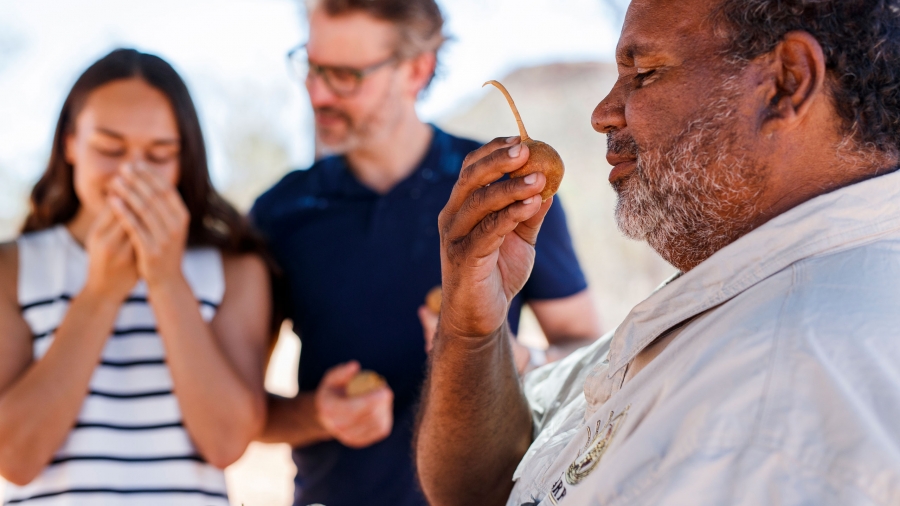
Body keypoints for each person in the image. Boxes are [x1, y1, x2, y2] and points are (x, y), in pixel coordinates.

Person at [415, 0, 900, 504]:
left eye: (643, 73)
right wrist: (473, 329)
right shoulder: (733, 291)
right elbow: (485, 488)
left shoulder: (779, 401)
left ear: (785, 82)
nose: (602, 114)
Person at [249, 0, 601, 504]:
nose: (317, 92)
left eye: (345, 75)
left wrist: (520, 358)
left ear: (417, 69)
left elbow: (588, 350)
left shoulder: (499, 187)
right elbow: (244, 415)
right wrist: (318, 415)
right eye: (311, 65)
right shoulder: (281, 214)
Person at [0, 49, 273, 505]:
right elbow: (16, 458)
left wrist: (166, 281)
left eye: (159, 154)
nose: (133, 173)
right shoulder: (12, 269)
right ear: (69, 142)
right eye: (109, 148)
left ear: (184, 159)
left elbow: (226, 444)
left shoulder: (234, 270)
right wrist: (101, 294)